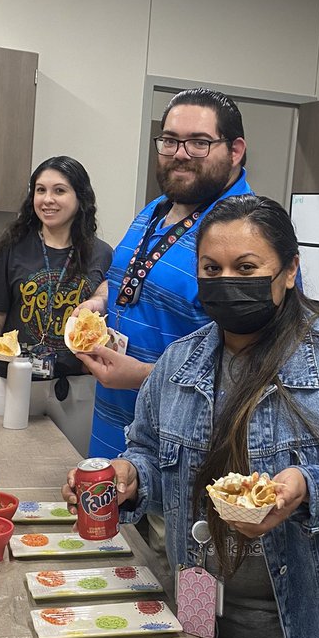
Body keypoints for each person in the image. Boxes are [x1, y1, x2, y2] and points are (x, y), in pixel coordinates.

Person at [65, 196, 319, 638]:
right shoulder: (178, 364)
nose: (227, 280)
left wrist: (310, 488)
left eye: (247, 267)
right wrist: (130, 475)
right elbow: (150, 452)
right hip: (204, 628)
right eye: (212, 269)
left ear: (288, 271)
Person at [76, 88, 251, 461]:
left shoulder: (247, 233)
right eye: (170, 140)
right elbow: (127, 276)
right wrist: (98, 300)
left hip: (182, 458)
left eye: (199, 143)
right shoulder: (158, 207)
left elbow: (253, 374)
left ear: (235, 151)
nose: (180, 154)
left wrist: (142, 376)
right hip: (115, 436)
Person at [0, 156, 112, 422]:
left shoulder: (102, 254)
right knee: (7, 458)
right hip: (15, 377)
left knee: (70, 463)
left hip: (76, 385)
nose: (47, 199)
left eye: (59, 190)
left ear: (80, 197)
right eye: (40, 190)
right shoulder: (11, 248)